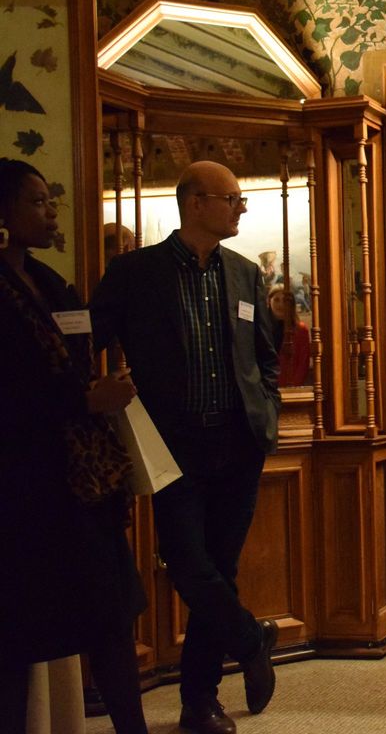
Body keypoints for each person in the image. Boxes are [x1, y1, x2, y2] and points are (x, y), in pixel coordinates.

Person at [90, 161, 281, 734]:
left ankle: (200, 702)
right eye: (233, 199)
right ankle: (250, 639)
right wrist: (95, 392)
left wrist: (266, 414)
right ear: (196, 203)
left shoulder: (244, 273)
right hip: (171, 449)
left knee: (221, 568)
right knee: (190, 567)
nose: (241, 208)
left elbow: (265, 358)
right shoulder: (134, 272)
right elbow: (86, 340)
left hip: (238, 444)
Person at [0, 158, 148, 734]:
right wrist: (84, 401)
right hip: (26, 492)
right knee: (20, 636)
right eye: (36, 202)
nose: (51, 214)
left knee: (110, 619)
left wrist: (99, 392)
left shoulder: (51, 281)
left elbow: (79, 355)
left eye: (50, 201)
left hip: (85, 486)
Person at [268, 284, 311, 387]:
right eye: (277, 300)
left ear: (291, 304)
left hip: (290, 387)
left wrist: (292, 388)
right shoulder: (262, 328)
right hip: (266, 388)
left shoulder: (301, 330)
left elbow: (303, 364)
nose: (281, 304)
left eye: (285, 301)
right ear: (269, 301)